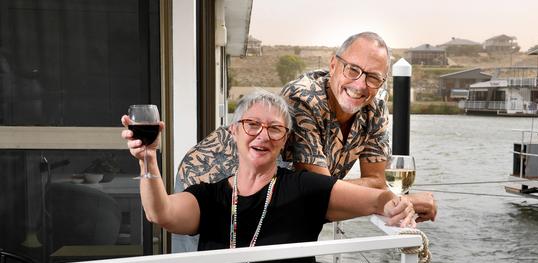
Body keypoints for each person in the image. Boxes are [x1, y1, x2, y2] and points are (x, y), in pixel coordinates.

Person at [121, 90, 416, 263]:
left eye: (275, 128)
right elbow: (160, 213)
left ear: (284, 139)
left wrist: (394, 204)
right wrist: (148, 160)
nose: (263, 135)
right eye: (252, 125)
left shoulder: (303, 188)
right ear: (234, 131)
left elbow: (377, 198)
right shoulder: (211, 197)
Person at [177, 32, 437, 222]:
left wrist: (359, 192)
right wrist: (399, 202)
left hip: (266, 201)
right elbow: (319, 191)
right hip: (208, 184)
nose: (360, 84)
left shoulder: (375, 108)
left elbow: (379, 180)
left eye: (372, 77)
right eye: (352, 70)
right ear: (333, 65)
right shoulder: (303, 98)